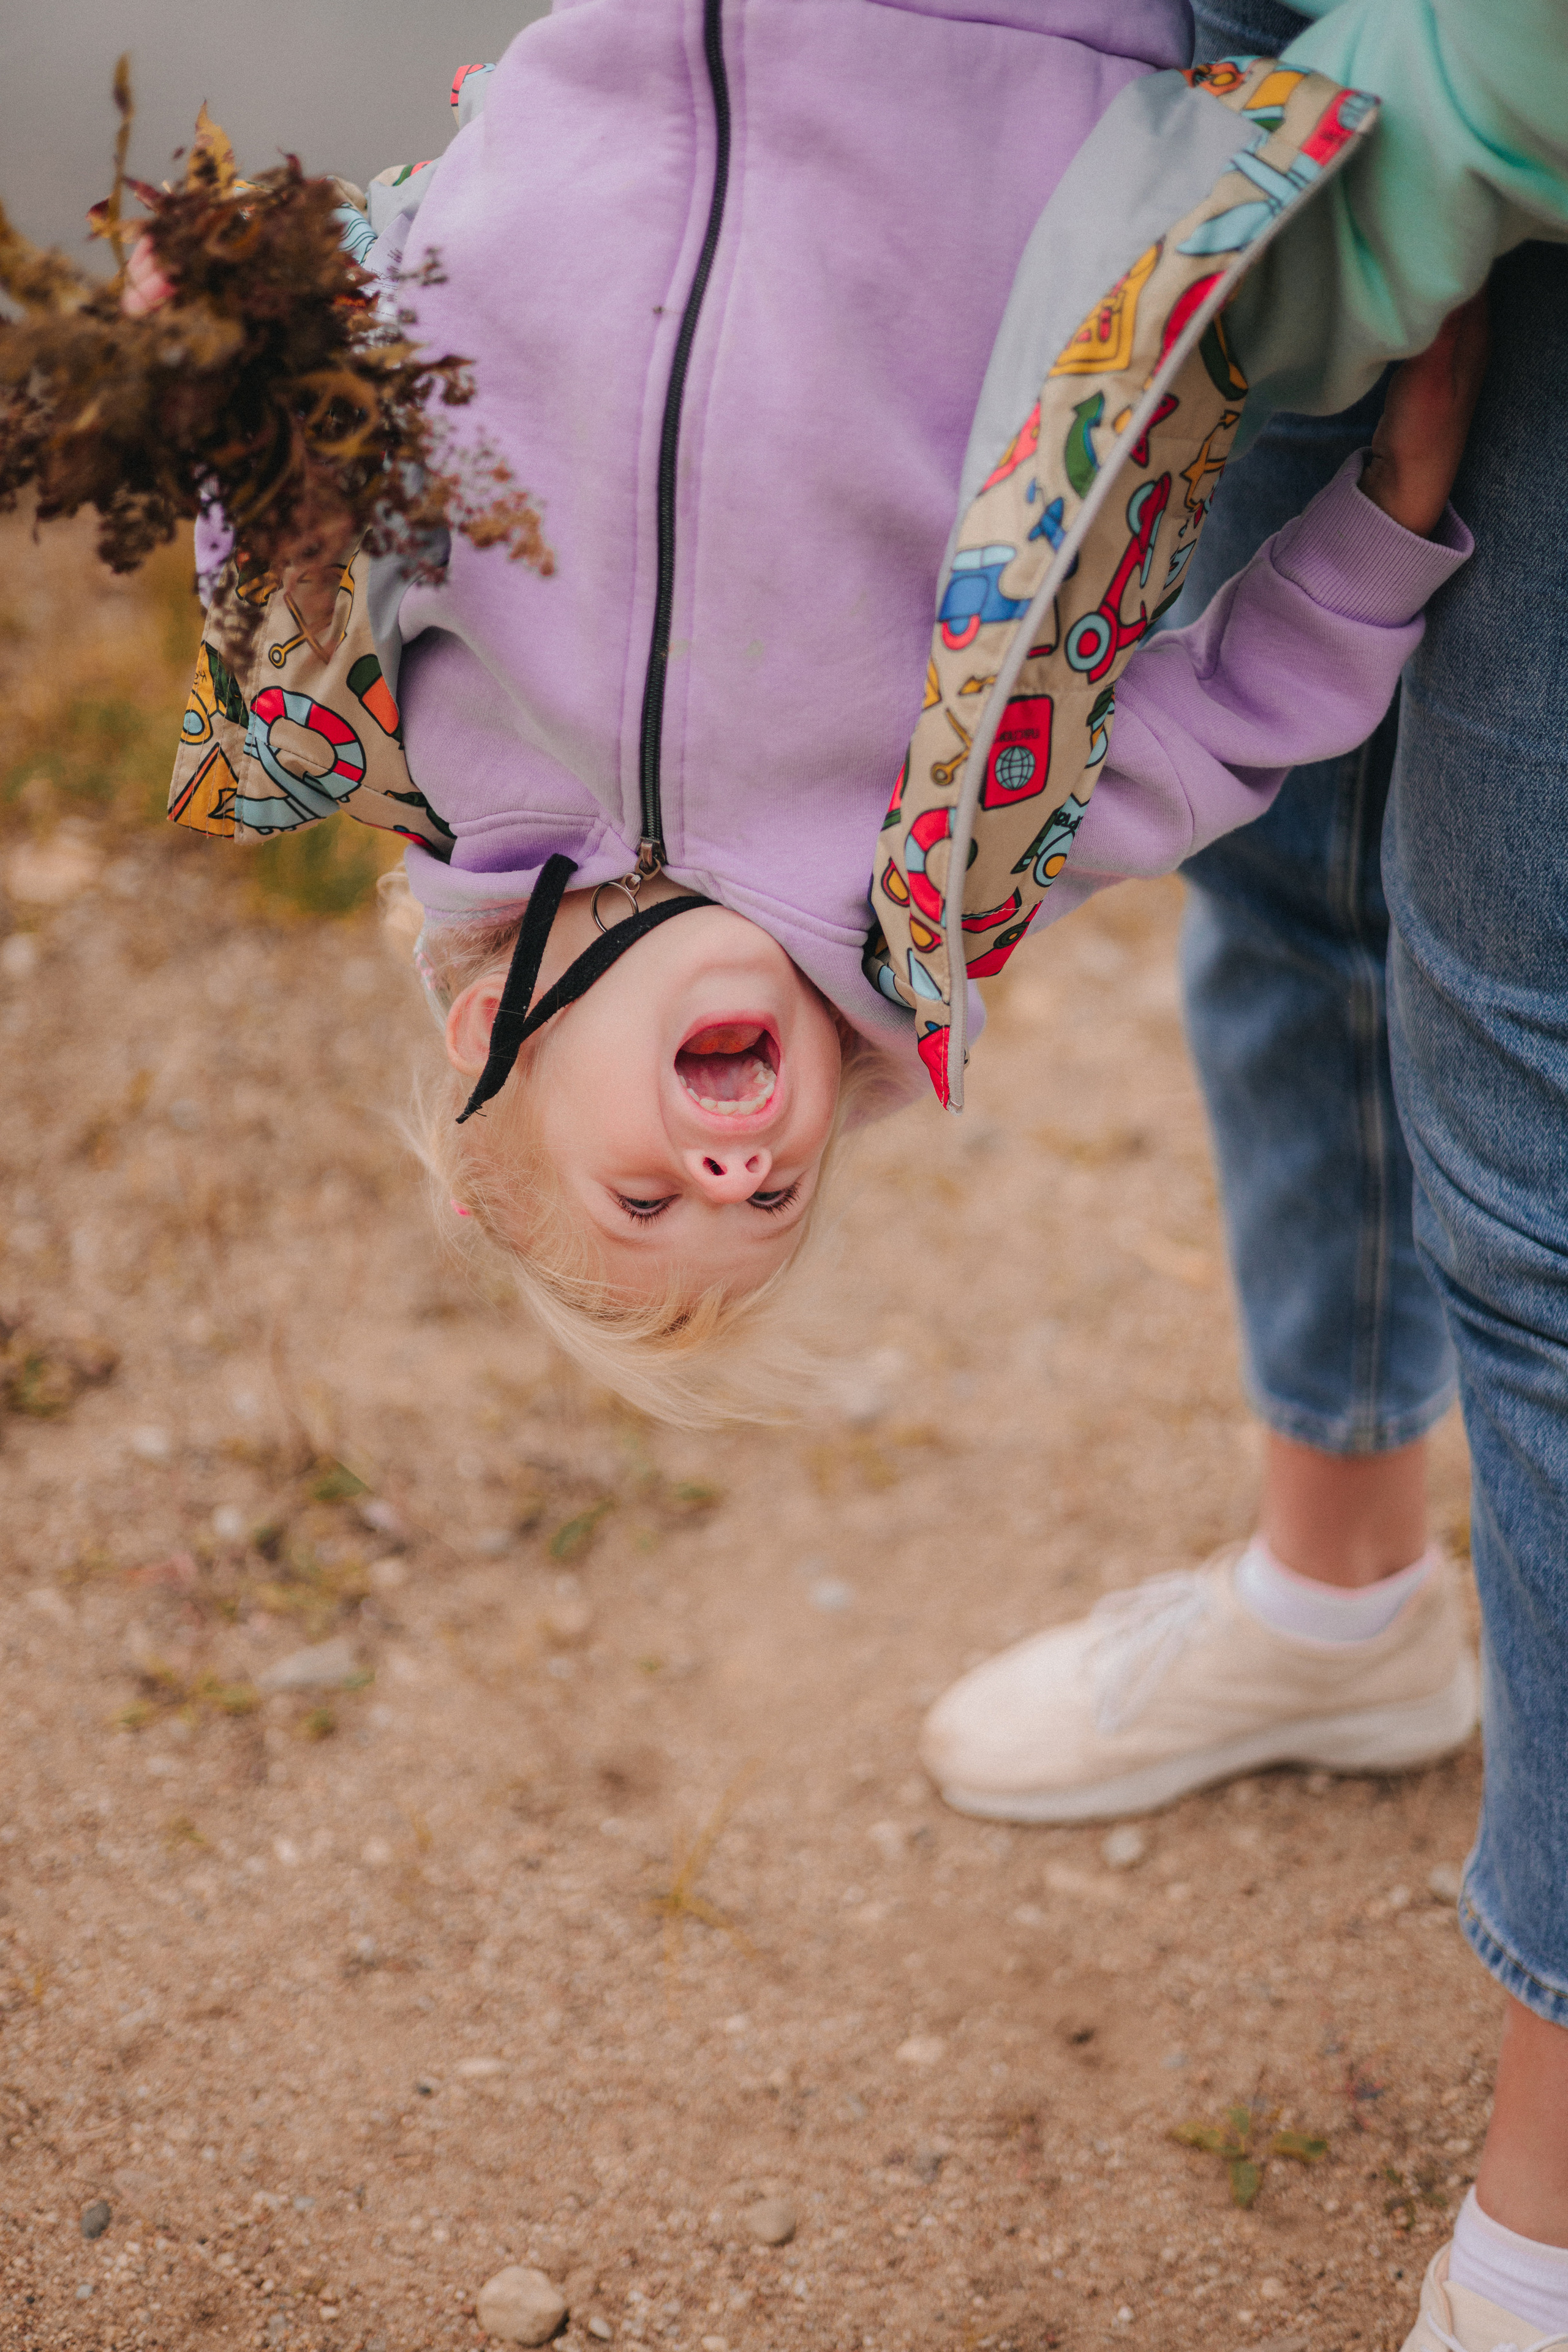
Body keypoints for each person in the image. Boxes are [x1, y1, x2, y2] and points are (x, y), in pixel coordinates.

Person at [158, 9, 1476, 1422]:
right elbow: (1222, 720)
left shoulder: (404, 750)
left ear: (495, 1032)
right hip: (1022, 44)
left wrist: (205, 340)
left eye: (644, 1201)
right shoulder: (931, 891)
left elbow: (301, 489)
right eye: (774, 1199)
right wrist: (1391, 515)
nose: (731, 1172)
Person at [919, 5, 1568, 2346]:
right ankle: (1343, 1609)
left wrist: (1415, 159)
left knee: (1542, 1109)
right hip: (1280, 70)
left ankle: (1552, 2199)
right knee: (1287, 851)